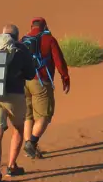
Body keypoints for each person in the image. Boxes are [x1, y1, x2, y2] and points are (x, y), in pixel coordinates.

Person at [0, 24, 36, 182]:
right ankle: (11, 166)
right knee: (18, 127)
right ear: (16, 36)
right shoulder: (21, 49)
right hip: (14, 94)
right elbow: (31, 74)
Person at [20, 17, 70, 159]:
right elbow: (58, 60)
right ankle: (31, 143)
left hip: (24, 82)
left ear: (31, 26)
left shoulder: (23, 41)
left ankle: (30, 149)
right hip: (41, 81)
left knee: (28, 116)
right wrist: (64, 77)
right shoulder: (49, 39)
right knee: (44, 115)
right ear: (45, 26)